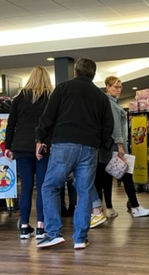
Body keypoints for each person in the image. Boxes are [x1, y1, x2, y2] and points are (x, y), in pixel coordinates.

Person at [35, 58, 114, 250]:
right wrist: (103, 143)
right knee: (84, 191)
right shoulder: (101, 96)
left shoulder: (63, 88)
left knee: (50, 187)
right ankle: (80, 238)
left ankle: (53, 233)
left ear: (75, 72)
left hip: (63, 144)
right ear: (93, 75)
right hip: (90, 148)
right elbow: (108, 127)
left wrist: (40, 138)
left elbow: (48, 116)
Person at [4, 66, 53, 240]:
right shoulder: (50, 98)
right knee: (41, 187)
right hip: (42, 147)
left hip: (21, 145)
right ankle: (41, 227)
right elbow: (51, 125)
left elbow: (11, 124)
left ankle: (24, 226)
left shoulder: (19, 98)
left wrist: (7, 146)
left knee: (26, 187)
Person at [94, 76, 149, 220]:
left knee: (107, 177)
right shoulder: (111, 104)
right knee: (126, 175)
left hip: (107, 148)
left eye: (120, 87)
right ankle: (135, 206)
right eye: (115, 87)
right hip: (115, 146)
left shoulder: (108, 103)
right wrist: (120, 146)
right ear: (107, 87)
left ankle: (109, 208)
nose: (119, 90)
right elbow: (115, 127)